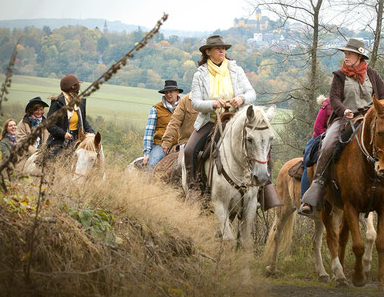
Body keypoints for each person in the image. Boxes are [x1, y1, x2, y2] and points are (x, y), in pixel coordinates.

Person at [299, 38, 384, 216]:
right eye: (345, 54)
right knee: (328, 143)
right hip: (345, 119)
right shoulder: (339, 76)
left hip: (371, 119)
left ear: (359, 56)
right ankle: (317, 185)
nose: (345, 57)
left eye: (349, 54)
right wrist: (344, 110)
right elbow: (334, 99)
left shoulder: (373, 74)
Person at [184, 35, 281, 209]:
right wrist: (212, 104)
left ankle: (264, 190)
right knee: (190, 150)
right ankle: (194, 189)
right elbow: (196, 103)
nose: (222, 51)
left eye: (224, 48)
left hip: (237, 121)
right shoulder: (200, 74)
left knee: (262, 144)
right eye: (217, 48)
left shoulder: (236, 70)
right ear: (208, 52)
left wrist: (241, 99)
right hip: (211, 120)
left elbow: (252, 93)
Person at [46, 74, 94, 155]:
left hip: (77, 140)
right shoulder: (57, 103)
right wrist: (63, 134)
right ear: (73, 87)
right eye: (78, 86)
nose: (79, 88)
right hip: (60, 141)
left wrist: (92, 133)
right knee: (55, 162)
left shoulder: (79, 103)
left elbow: (83, 121)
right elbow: (50, 124)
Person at [142, 80, 183, 169]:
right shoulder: (156, 109)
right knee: (152, 164)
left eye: (171, 92)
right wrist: (147, 154)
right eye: (166, 92)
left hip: (180, 145)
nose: (168, 94)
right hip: (160, 145)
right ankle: (148, 182)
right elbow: (149, 133)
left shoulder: (184, 107)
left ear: (177, 92)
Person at [300, 95, 332, 200]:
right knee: (308, 162)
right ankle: (304, 197)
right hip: (319, 138)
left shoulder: (350, 106)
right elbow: (317, 127)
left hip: (339, 139)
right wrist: (328, 137)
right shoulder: (327, 105)